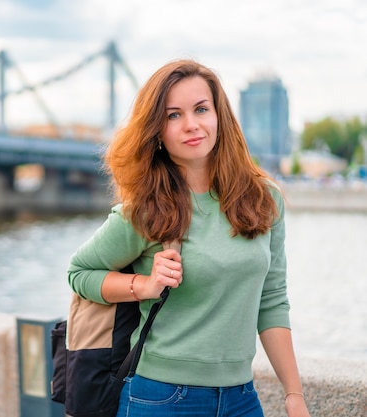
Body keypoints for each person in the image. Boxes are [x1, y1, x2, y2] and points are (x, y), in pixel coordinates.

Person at [67, 59, 311, 417]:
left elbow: (272, 301)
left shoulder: (264, 199)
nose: (192, 125)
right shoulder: (146, 209)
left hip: (242, 398)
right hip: (159, 397)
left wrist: (294, 395)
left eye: (200, 109)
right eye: (173, 115)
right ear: (157, 131)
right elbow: (79, 273)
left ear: (219, 116)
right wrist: (144, 284)